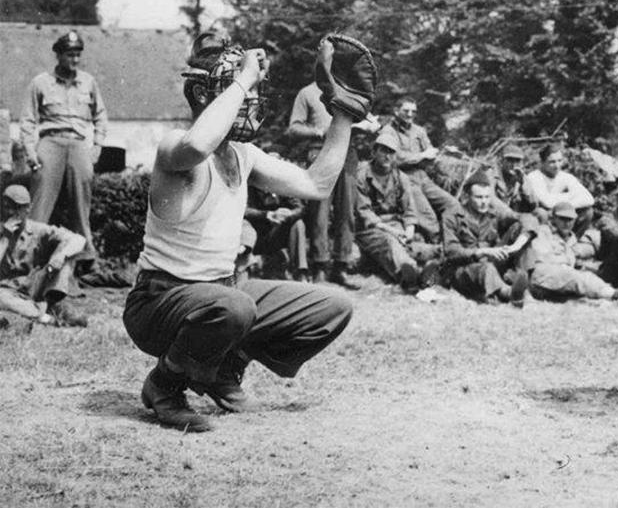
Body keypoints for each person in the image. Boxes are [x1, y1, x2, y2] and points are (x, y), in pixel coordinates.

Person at [121, 32, 373, 432]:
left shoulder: (244, 155)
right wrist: (243, 79)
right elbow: (199, 145)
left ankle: (220, 369)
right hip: (159, 302)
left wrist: (344, 112)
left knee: (331, 307)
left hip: (222, 294)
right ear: (203, 94)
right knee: (234, 306)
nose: (251, 99)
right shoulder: (175, 147)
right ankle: (164, 386)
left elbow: (316, 184)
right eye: (240, 90)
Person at [19, 30, 107, 247]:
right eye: (69, 54)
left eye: (78, 54)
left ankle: (85, 259)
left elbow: (101, 116)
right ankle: (27, 255)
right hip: (51, 142)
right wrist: (30, 152)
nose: (75, 59)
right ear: (58, 55)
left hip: (78, 144)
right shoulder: (41, 82)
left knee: (81, 202)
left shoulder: (88, 82)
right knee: (40, 202)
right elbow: (28, 120)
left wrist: (97, 146)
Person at [286, 80, 360, 287]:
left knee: (347, 211)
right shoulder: (307, 92)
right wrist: (318, 131)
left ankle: (341, 266)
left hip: (347, 152)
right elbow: (294, 128)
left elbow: (367, 119)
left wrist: (369, 126)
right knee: (320, 211)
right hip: (320, 152)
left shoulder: (349, 90)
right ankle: (320, 265)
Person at [354, 127, 440, 292]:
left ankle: (429, 272)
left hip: (396, 225)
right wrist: (392, 231)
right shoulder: (362, 175)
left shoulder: (401, 178)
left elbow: (409, 211)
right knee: (389, 242)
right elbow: (364, 212)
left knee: (414, 244)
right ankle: (410, 275)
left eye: (392, 152)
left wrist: (408, 230)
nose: (387, 156)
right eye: (383, 151)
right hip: (369, 229)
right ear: (374, 152)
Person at [0, 184, 89, 327]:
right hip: (6, 290)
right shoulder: (2, 232)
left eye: (17, 207)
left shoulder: (38, 230)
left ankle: (52, 303)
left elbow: (79, 240)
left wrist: (61, 256)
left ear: (28, 208)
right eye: (7, 206)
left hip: (34, 286)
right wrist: (5, 238)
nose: (11, 212)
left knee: (65, 253)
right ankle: (45, 317)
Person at [527, 201, 618, 302]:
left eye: (570, 219)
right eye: (562, 218)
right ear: (553, 219)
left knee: (585, 276)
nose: (567, 223)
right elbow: (541, 258)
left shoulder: (571, 238)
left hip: (558, 279)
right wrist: (567, 263)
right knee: (576, 276)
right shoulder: (544, 232)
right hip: (542, 277)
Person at [440, 176, 530, 306]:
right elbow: (452, 251)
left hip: (491, 263)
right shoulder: (451, 216)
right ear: (467, 196)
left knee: (518, 227)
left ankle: (527, 282)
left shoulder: (494, 214)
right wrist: (482, 252)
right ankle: (509, 293)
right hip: (462, 269)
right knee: (486, 269)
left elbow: (526, 218)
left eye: (487, 197)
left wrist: (516, 246)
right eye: (479, 197)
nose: (484, 202)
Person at [386, 97, 461, 233]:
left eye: (413, 112)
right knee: (428, 218)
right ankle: (433, 248)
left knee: (452, 204)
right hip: (403, 180)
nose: (410, 115)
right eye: (406, 111)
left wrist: (443, 152)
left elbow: (430, 154)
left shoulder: (419, 131)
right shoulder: (388, 131)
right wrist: (421, 156)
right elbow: (394, 158)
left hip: (423, 177)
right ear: (396, 111)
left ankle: (449, 240)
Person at [524, 143, 595, 235]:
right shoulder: (534, 177)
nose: (557, 165)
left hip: (561, 214)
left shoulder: (566, 177)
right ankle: (544, 241)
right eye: (552, 162)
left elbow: (589, 199)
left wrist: (567, 206)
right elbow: (547, 202)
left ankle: (572, 242)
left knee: (588, 212)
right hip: (545, 217)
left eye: (559, 160)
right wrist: (571, 195)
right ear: (542, 162)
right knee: (541, 213)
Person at [488, 144, 538, 216]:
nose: (514, 164)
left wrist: (523, 183)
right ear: (502, 160)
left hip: (517, 213)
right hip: (499, 214)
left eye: (517, 161)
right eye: (510, 160)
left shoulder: (521, 175)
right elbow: (490, 198)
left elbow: (534, 202)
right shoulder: (492, 174)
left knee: (541, 213)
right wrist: (510, 213)